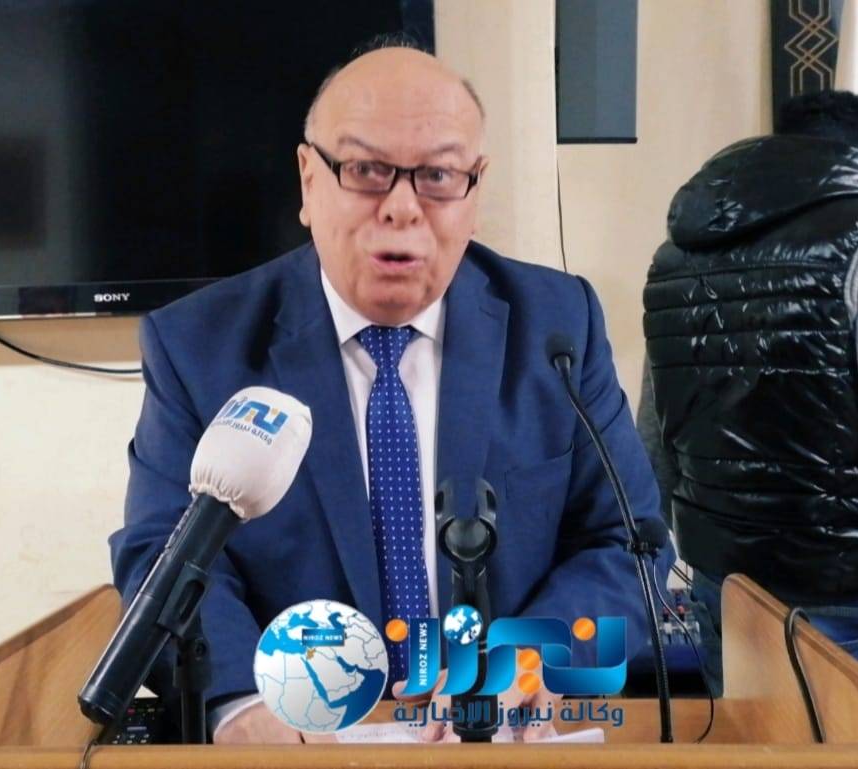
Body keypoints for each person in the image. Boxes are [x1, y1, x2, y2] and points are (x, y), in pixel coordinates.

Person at [111, 39, 673, 744]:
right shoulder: (200, 346)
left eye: (438, 175)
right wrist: (242, 706)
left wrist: (531, 663)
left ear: (475, 188)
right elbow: (165, 554)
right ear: (309, 180)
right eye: (367, 170)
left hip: (500, 743)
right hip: (303, 744)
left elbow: (630, 542)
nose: (403, 208)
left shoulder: (557, 327)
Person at [638, 90, 858, 720]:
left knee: (757, 757)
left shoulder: (679, 255)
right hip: (842, 599)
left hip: (724, 594)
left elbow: (655, 447)